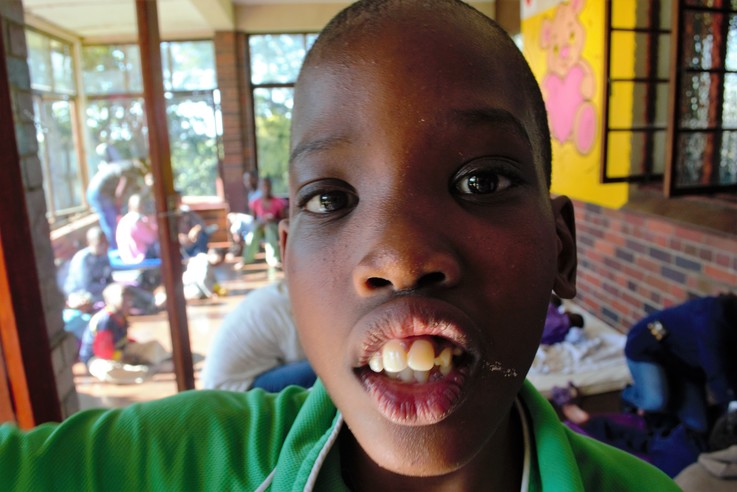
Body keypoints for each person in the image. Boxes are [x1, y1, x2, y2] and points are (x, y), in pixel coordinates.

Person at [0, 2, 677, 489]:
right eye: (330, 198)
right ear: (288, 264)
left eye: (481, 181)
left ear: (561, 249)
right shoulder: (180, 461)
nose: (401, 258)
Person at [621, 293, 737, 434]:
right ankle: (630, 394)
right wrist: (732, 407)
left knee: (698, 426)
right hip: (648, 351)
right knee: (655, 401)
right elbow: (717, 372)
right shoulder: (712, 319)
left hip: (684, 367)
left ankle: (669, 397)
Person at [201, 279, 316, 392]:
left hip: (226, 383)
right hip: (236, 388)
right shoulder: (288, 307)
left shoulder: (278, 294)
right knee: (321, 369)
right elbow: (297, 357)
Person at [78, 283, 168, 384]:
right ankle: (143, 372)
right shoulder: (104, 320)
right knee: (108, 369)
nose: (129, 303)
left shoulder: (122, 317)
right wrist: (124, 357)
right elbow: (104, 351)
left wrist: (133, 349)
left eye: (129, 299)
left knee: (153, 345)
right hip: (98, 359)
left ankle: (160, 362)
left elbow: (123, 340)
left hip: (119, 352)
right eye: (124, 299)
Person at [85, 159, 143, 249]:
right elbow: (120, 192)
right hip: (100, 192)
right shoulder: (130, 170)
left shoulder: (124, 165)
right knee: (111, 223)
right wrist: (118, 205)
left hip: (93, 191)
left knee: (108, 221)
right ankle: (114, 248)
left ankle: (113, 247)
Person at [237, 176, 287, 271]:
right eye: (263, 186)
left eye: (267, 186)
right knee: (255, 230)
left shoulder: (278, 202)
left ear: (270, 187)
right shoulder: (255, 202)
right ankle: (246, 259)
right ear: (259, 187)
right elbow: (253, 220)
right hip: (259, 229)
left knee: (269, 228)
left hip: (273, 229)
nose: (266, 188)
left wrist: (273, 220)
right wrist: (260, 221)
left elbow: (283, 221)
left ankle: (274, 260)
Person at [63, 226, 113, 306]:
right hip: (79, 294)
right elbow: (86, 286)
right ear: (90, 243)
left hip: (98, 290)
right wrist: (108, 288)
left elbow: (109, 277)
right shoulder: (83, 259)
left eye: (106, 243)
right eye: (100, 244)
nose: (104, 246)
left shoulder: (104, 255)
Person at [115, 193, 159, 264]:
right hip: (139, 261)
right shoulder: (136, 221)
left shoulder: (123, 220)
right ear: (142, 207)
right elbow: (152, 238)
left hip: (126, 259)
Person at [174, 191, 211, 258]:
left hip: (191, 241)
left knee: (203, 235)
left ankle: (202, 257)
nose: (177, 201)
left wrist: (195, 230)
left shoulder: (186, 212)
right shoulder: (166, 216)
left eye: (178, 199)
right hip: (177, 246)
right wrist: (179, 237)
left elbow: (201, 225)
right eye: (175, 200)